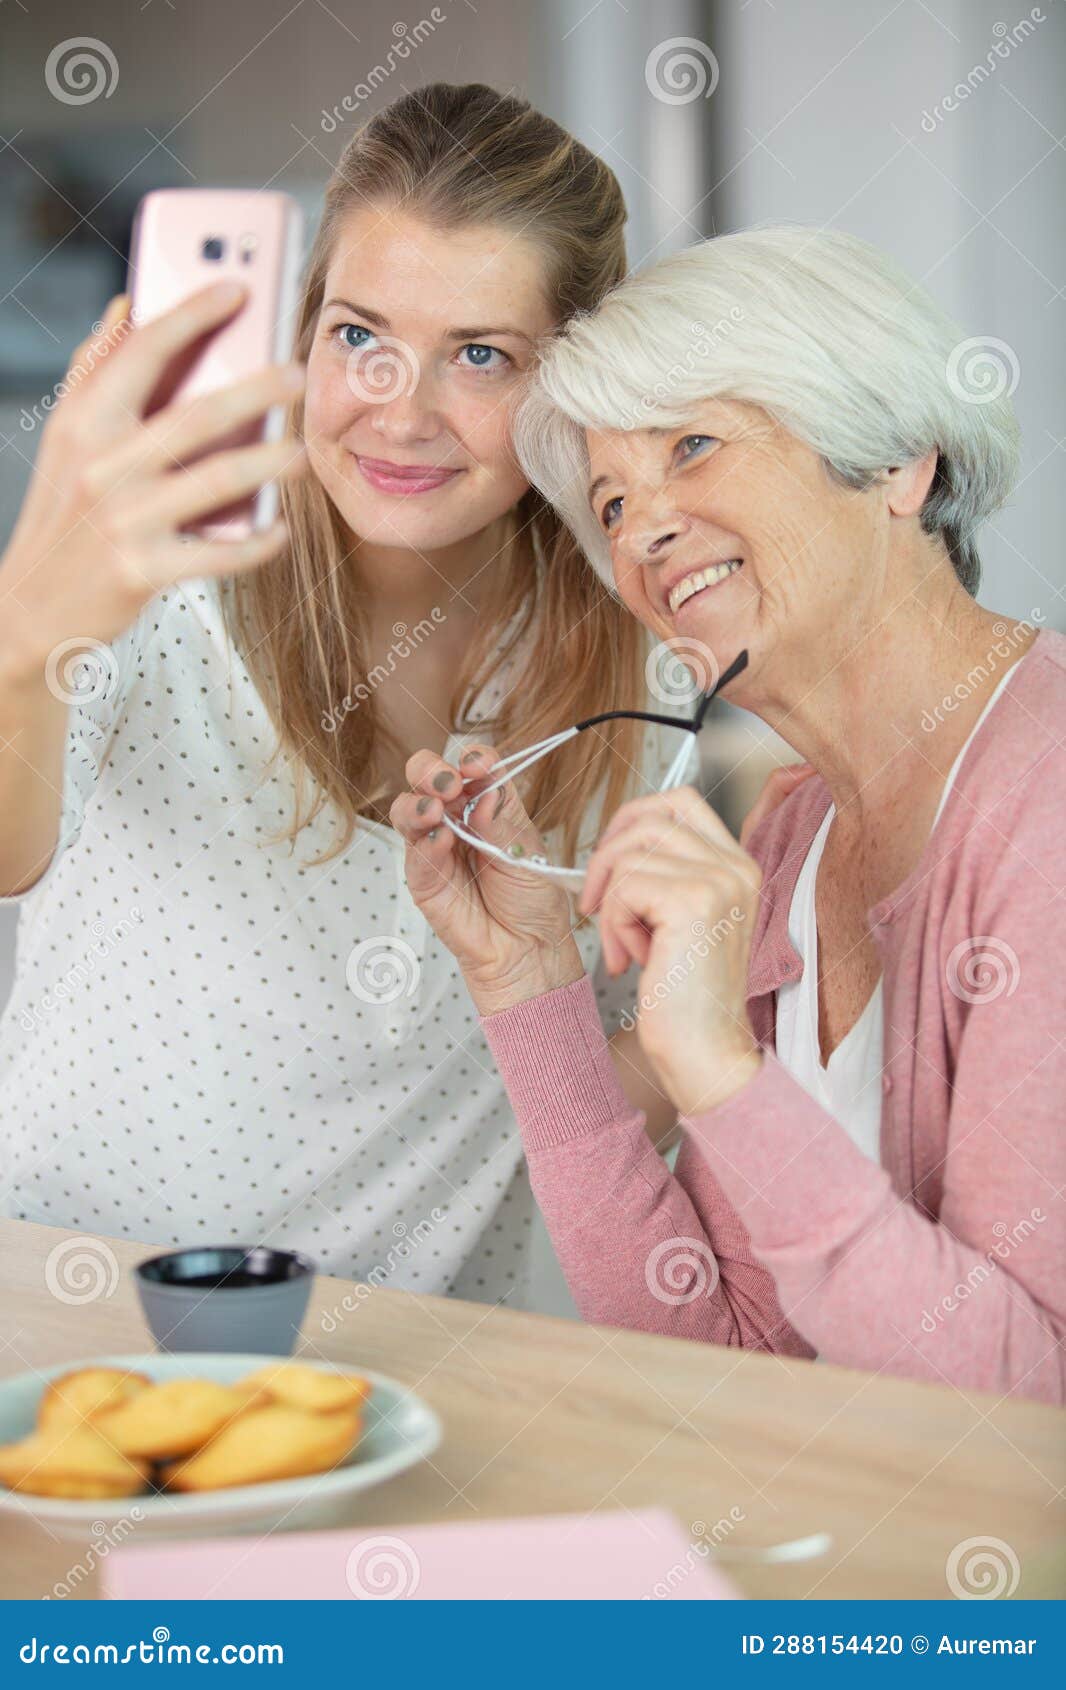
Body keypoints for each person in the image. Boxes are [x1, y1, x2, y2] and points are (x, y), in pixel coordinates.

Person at [0, 84, 691, 1308]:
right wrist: (21, 635)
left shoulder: (622, 680)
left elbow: (591, 1097)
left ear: (574, 383)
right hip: (78, 1334)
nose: (400, 411)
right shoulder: (162, 584)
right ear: (305, 327)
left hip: (410, 1384)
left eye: (480, 355)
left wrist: (758, 1011)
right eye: (358, 333)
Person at [392, 226, 1066, 1399]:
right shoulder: (791, 838)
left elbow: (1023, 1414)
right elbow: (722, 1356)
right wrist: (525, 981)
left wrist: (717, 1071)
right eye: (610, 502)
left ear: (897, 462)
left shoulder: (1042, 802)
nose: (642, 532)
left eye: (692, 446)